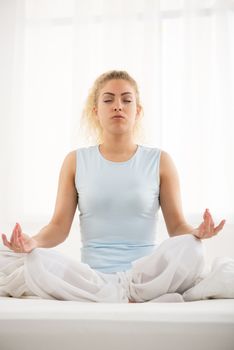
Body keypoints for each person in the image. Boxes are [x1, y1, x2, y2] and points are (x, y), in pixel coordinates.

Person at [0, 70, 226, 303]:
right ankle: (121, 295)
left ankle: (119, 293)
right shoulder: (75, 161)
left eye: (127, 100)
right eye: (108, 99)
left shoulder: (160, 161)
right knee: (35, 260)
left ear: (137, 111)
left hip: (146, 277)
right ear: (96, 111)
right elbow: (58, 226)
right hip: (92, 277)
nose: (118, 106)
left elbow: (177, 226)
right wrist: (33, 242)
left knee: (193, 249)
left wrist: (197, 233)